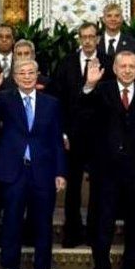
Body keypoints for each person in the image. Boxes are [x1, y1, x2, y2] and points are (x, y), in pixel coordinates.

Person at [0, 60, 66, 269]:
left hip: (43, 172)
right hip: (13, 172)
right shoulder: (4, 99)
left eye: (31, 73)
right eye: (22, 73)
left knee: (43, 224)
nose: (27, 76)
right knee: (11, 222)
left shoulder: (51, 103)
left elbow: (56, 140)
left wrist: (60, 172)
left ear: (37, 75)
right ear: (15, 77)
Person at [81, 51, 135, 269]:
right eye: (122, 66)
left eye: (131, 66)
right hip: (106, 172)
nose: (127, 70)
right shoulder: (101, 90)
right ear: (115, 69)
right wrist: (89, 85)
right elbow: (83, 116)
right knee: (102, 223)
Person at [47, 22, 113, 248]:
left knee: (98, 186)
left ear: (98, 39)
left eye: (91, 36)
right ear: (79, 39)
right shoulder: (66, 63)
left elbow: (112, 99)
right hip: (72, 135)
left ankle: (94, 233)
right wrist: (62, 131)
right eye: (83, 36)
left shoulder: (109, 63)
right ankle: (72, 232)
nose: (87, 41)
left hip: (100, 136)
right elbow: (57, 99)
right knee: (73, 186)